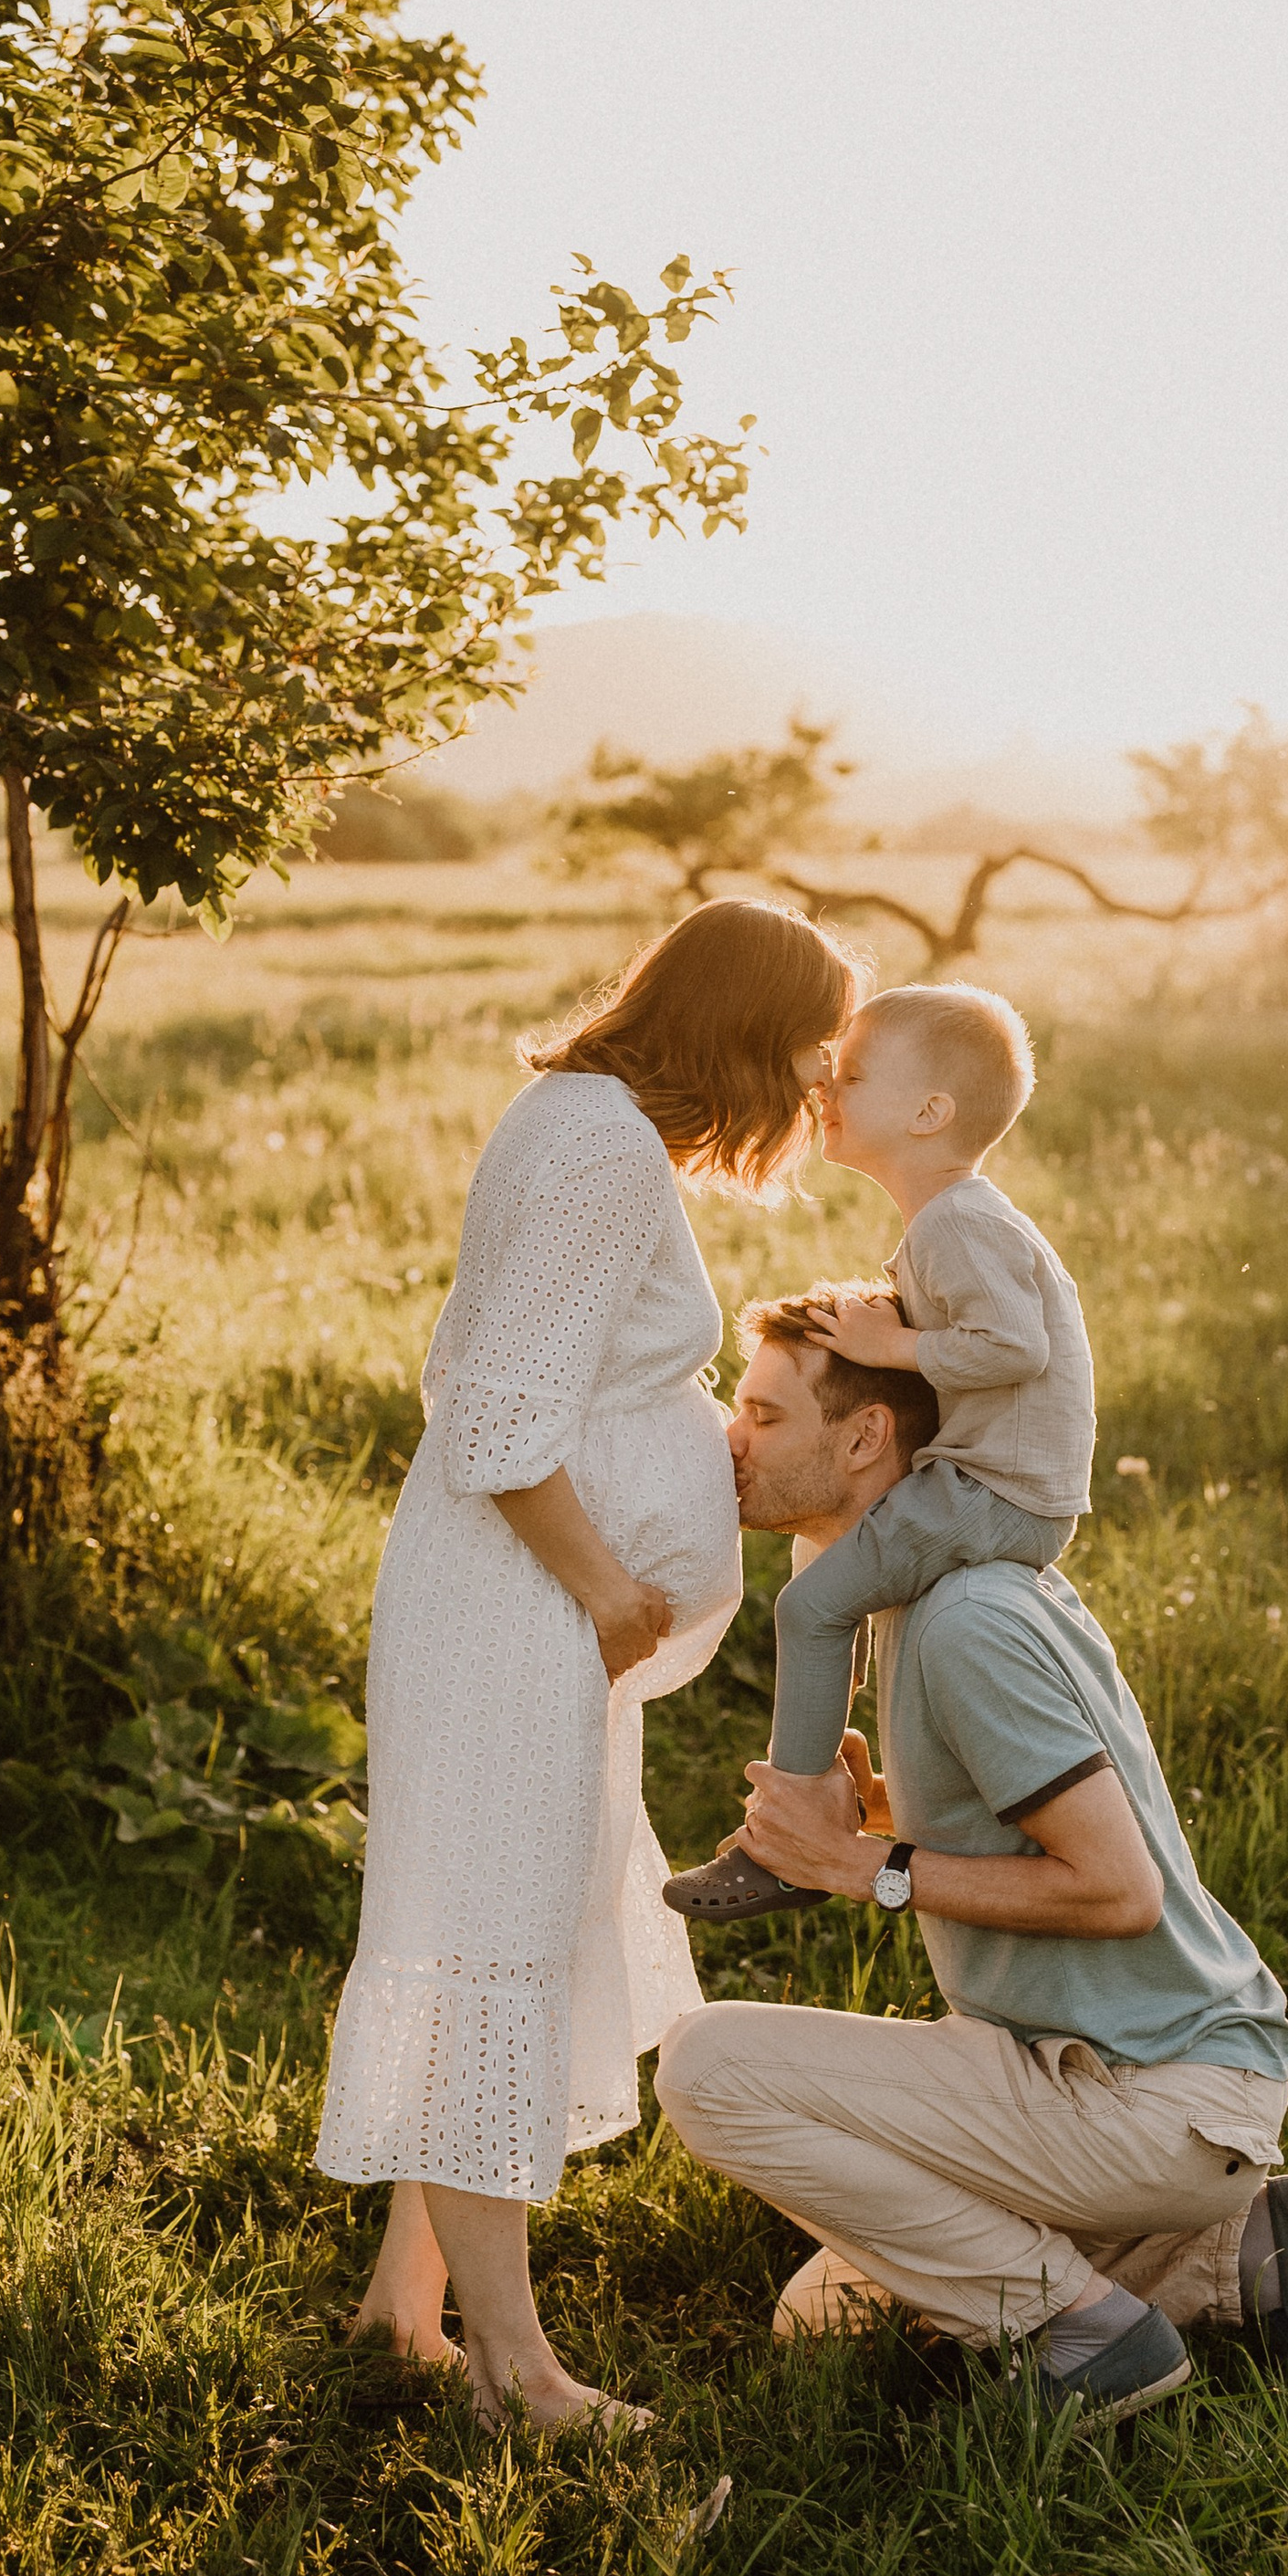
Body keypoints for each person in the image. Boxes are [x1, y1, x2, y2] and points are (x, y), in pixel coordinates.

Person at [316, 904, 863, 2433]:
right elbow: (493, 1416)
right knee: (488, 1940)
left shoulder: (586, 1116)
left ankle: (399, 2306)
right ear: (743, 1032)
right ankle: (513, 2372)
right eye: (807, 1047)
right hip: (517, 1607)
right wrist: (612, 1591)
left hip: (525, 1609)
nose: (814, 1081)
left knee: (505, 1927)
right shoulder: (603, 1147)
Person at [654, 1288, 1288, 2414]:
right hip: (1081, 2072)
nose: (731, 1438)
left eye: (763, 1414)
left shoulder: (966, 1619)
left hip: (1150, 2091)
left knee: (705, 2068)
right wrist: (890, 1822)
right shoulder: (908, 1597)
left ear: (865, 1435)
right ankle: (1240, 2249)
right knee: (816, 2321)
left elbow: (1116, 1888)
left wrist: (863, 1871)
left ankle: (1081, 2333)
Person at [664, 983, 1095, 1922]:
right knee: (825, 1558)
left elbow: (1015, 1347)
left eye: (851, 1073)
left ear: (929, 1112)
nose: (825, 1083)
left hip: (997, 1490)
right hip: (984, 1480)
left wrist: (885, 1347)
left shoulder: (958, 1220)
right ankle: (828, 1774)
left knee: (812, 1604)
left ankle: (783, 1844)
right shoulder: (943, 1221)